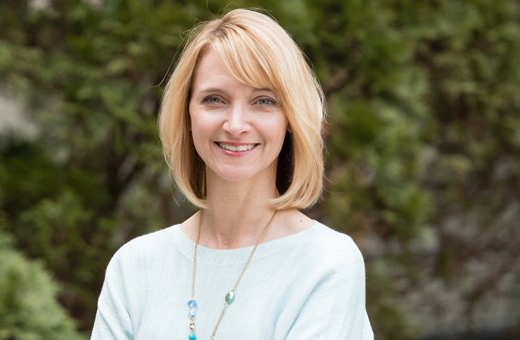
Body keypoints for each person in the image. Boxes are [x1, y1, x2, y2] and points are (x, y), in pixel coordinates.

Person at [91, 8, 373, 340]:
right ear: (187, 114)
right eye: (214, 99)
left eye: (263, 101)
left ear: (291, 120)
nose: (236, 125)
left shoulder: (326, 264)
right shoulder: (134, 266)